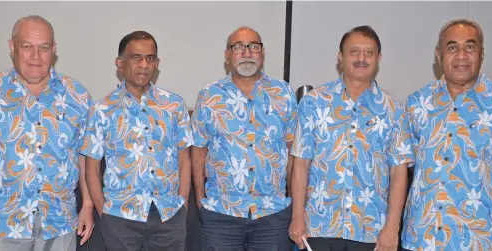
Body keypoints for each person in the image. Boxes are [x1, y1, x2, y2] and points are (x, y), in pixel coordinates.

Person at [401, 19, 492, 251]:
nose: (461, 55)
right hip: (422, 239)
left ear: (481, 53)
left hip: (481, 239)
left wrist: (489, 194)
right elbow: (405, 166)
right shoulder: (417, 103)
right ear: (439, 55)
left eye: (470, 46)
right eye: (452, 47)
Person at [0, 15, 94, 251]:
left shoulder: (77, 96)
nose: (35, 56)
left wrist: (88, 206)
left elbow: (84, 156)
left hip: (59, 223)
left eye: (43, 48)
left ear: (54, 49)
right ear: (12, 47)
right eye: (27, 47)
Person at [289, 25, 414, 251]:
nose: (361, 58)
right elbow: (301, 163)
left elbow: (398, 172)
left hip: (371, 233)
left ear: (378, 58)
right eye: (354, 51)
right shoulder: (314, 102)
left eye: (369, 52)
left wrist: (392, 227)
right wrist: (297, 217)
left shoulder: (394, 109)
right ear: (340, 57)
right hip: (318, 228)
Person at [80, 30, 193, 251]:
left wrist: (183, 205)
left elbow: (184, 159)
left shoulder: (174, 105)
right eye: (136, 57)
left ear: (157, 63)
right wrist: (105, 213)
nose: (144, 64)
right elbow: (91, 168)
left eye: (150, 58)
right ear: (120, 63)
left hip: (168, 216)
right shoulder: (102, 110)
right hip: (120, 218)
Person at [191, 26, 298, 250]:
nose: (247, 53)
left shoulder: (284, 94)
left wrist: (294, 205)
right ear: (227, 55)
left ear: (263, 53)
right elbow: (199, 151)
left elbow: (292, 153)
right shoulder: (209, 96)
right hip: (221, 214)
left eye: (253, 47)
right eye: (238, 47)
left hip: (273, 214)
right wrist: (201, 200)